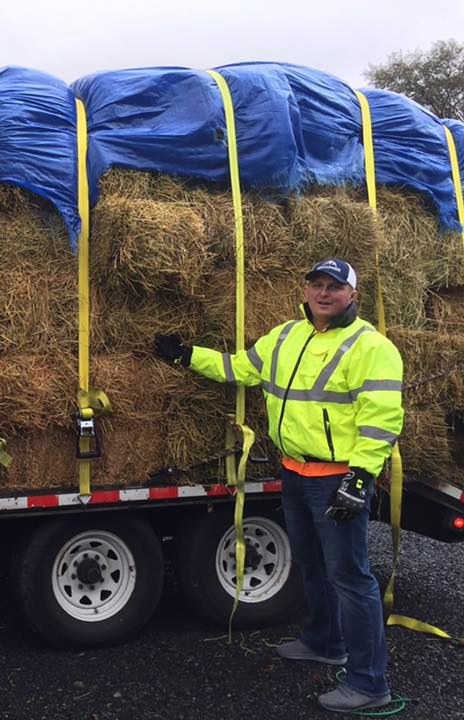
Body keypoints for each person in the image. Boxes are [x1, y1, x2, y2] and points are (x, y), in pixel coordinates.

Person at [154, 258, 404, 714]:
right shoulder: (286, 336)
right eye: (316, 285)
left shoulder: (372, 346)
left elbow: (383, 420)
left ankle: (370, 683)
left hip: (337, 478)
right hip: (294, 471)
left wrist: (361, 479)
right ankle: (325, 641)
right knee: (310, 564)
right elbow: (239, 368)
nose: (323, 293)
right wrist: (186, 355)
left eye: (334, 286)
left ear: (353, 295)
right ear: (306, 290)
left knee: (351, 578)